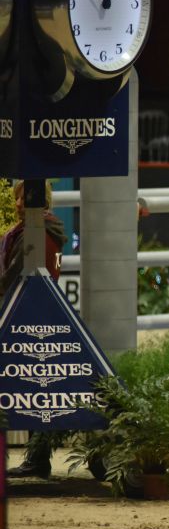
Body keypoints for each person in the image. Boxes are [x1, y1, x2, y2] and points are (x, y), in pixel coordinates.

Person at [1, 180, 68, 479]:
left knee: (36, 390)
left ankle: (38, 459)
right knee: (40, 390)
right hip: (40, 315)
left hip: (26, 317)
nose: (16, 204)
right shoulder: (45, 230)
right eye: (16, 198)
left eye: (22, 199)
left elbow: (13, 277)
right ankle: (38, 458)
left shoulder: (34, 233)